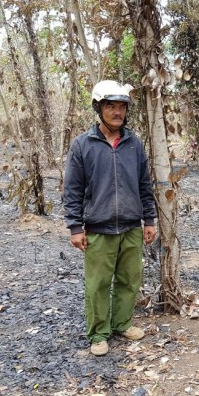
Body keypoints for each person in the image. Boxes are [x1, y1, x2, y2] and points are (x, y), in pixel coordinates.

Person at [64, 80, 157, 356]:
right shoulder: (83, 145)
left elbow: (144, 184)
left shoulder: (133, 144)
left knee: (129, 280)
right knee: (98, 284)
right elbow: (73, 189)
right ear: (99, 108)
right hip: (99, 228)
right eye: (111, 106)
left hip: (131, 226)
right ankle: (98, 333)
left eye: (122, 107)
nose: (117, 112)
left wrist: (149, 220)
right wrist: (75, 226)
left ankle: (122, 323)